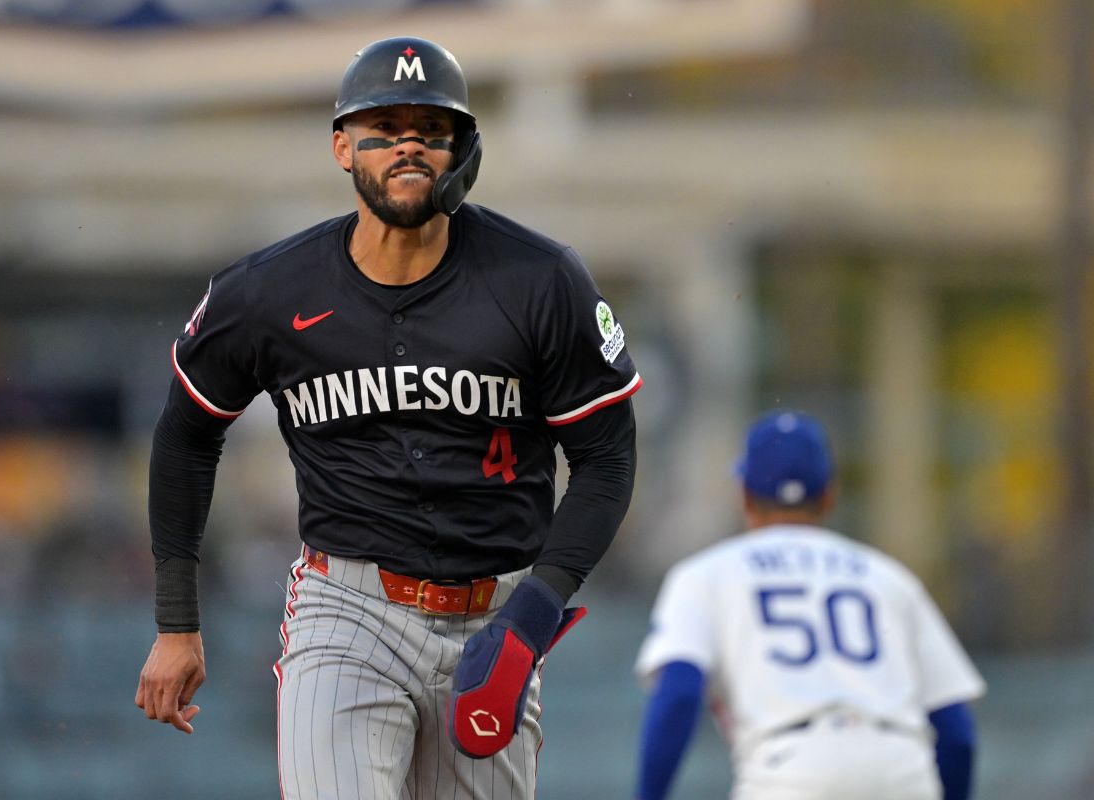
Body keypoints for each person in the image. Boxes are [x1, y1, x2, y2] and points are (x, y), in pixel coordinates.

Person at [133, 36, 641, 800]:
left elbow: (606, 459)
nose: (409, 144)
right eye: (385, 126)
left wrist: (535, 613)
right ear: (342, 147)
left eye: (431, 129)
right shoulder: (270, 291)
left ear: (463, 151)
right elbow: (187, 432)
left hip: (495, 615)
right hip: (349, 610)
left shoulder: (538, 279)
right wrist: (176, 621)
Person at [633, 410, 985, 800]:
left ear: (745, 495)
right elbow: (956, 733)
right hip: (902, 765)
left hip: (790, 768)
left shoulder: (705, 574)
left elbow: (680, 692)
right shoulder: (889, 578)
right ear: (829, 494)